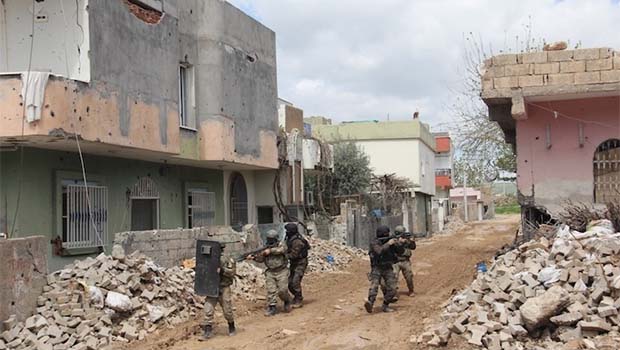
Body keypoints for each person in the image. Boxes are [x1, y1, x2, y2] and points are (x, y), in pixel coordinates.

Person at [250, 229, 292, 316]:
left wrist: (270, 251)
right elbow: (261, 260)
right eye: (269, 238)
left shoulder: (281, 244)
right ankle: (272, 307)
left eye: (272, 238)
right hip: (270, 272)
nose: (270, 240)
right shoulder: (265, 247)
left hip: (282, 271)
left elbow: (282, 250)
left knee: (282, 290)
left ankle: (287, 300)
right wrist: (254, 257)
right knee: (271, 290)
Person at [202, 242, 236, 340]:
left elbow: (232, 273)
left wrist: (222, 270)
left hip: (224, 287)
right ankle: (207, 331)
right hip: (212, 287)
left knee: (227, 310)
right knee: (208, 309)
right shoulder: (209, 258)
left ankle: (231, 326)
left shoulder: (227, 259)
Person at [364, 225, 398, 314]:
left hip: (388, 267)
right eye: (386, 233)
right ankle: (370, 303)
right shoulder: (375, 242)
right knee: (374, 286)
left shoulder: (390, 241)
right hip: (377, 267)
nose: (387, 234)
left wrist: (400, 243)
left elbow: (399, 252)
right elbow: (379, 251)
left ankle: (385, 305)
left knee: (393, 288)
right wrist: (388, 244)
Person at [285, 222, 310, 308]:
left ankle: (299, 299)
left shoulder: (297, 241)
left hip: (301, 263)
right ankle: (296, 296)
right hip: (294, 263)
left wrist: (282, 256)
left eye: (287, 231)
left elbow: (294, 255)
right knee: (289, 283)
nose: (286, 232)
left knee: (295, 281)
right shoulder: (290, 238)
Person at [393, 225, 416, 297]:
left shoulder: (406, 239)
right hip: (395, 261)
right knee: (394, 277)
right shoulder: (394, 239)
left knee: (409, 276)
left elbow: (413, 247)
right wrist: (400, 241)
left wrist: (411, 241)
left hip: (405, 261)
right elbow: (395, 246)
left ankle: (411, 290)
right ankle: (394, 293)